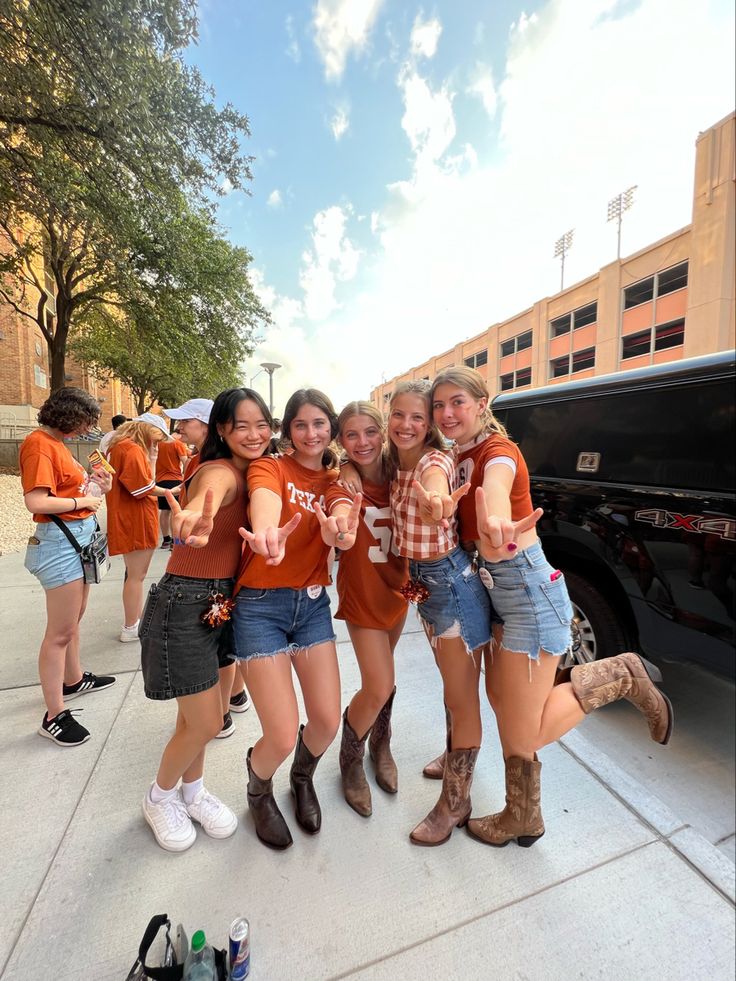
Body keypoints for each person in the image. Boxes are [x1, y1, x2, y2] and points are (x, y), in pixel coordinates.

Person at [428, 366, 674, 848]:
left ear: (482, 405)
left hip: (526, 594)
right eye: (439, 405)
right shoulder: (459, 453)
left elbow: (496, 489)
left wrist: (496, 520)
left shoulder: (498, 452)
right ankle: (525, 817)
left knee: (527, 732)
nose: (446, 413)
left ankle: (621, 674)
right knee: (506, 711)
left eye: (457, 402)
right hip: (495, 594)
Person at [139, 387, 273, 852]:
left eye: (262, 424)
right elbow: (209, 494)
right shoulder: (220, 469)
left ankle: (192, 792)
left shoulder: (256, 472)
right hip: (188, 603)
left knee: (200, 716)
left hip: (223, 604)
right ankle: (159, 796)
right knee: (206, 722)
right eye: (242, 425)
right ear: (221, 429)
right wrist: (193, 516)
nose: (254, 434)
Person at [234, 389, 357, 850]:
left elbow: (342, 515)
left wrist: (338, 531)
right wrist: (268, 532)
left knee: (326, 720)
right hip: (259, 607)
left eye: (320, 424)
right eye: (301, 424)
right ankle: (258, 787)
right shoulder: (270, 467)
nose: (311, 434)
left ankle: (301, 779)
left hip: (310, 607)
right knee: (282, 734)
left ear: (331, 428)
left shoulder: (335, 479)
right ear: (288, 429)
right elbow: (264, 500)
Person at [384, 380, 493, 847]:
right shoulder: (395, 465)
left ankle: (455, 803)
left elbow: (435, 488)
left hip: (449, 582)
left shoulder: (434, 461)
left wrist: (437, 502)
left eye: (418, 418)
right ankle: (454, 758)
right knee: (453, 689)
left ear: (429, 426)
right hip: (426, 584)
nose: (407, 425)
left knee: (461, 697)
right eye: (399, 415)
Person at [317, 402, 408, 817]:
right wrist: (341, 527)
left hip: (401, 589)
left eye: (370, 431)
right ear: (340, 440)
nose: (363, 442)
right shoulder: (343, 485)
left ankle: (380, 742)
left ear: (383, 431)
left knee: (385, 677)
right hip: (363, 593)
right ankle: (350, 761)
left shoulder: (402, 473)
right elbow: (338, 510)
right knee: (377, 684)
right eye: (351, 435)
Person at [20, 387, 116, 747]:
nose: (86, 429)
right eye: (84, 422)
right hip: (61, 544)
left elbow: (68, 493)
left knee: (73, 620)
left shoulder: (55, 445)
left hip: (76, 538)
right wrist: (85, 498)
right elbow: (37, 499)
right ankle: (53, 714)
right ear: (68, 416)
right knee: (60, 631)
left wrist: (97, 489)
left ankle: (73, 680)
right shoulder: (40, 444)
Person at [163, 397, 250, 732]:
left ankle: (225, 706)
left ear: (206, 424)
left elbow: (211, 491)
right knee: (224, 648)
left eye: (186, 421)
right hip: (212, 575)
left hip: (212, 579)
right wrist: (194, 515)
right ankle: (229, 702)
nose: (180, 427)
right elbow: (206, 495)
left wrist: (197, 512)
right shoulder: (210, 462)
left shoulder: (220, 463)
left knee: (223, 649)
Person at [105, 413, 175, 642]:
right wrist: (171, 491)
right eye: (156, 437)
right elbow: (142, 489)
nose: (157, 442)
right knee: (136, 576)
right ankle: (130, 625)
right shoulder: (131, 449)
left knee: (134, 575)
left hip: (129, 517)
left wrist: (152, 459)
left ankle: (133, 621)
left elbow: (142, 484)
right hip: (136, 518)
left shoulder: (119, 446)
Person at [155, 429, 188, 549]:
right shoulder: (177, 443)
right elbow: (185, 461)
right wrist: (186, 477)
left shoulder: (158, 443)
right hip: (175, 480)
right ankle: (175, 541)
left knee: (165, 511)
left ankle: (166, 540)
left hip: (160, 480)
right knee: (175, 511)